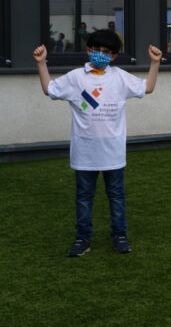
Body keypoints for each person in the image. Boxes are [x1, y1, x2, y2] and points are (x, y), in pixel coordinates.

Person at [33, 28, 162, 256]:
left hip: (113, 152)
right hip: (85, 153)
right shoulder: (76, 78)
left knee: (116, 196)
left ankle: (119, 236)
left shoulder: (120, 77)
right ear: (88, 50)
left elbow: (147, 87)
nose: (100, 54)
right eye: (96, 50)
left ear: (113, 56)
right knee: (84, 198)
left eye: (106, 52)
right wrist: (41, 63)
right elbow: (49, 89)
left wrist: (155, 62)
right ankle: (83, 239)